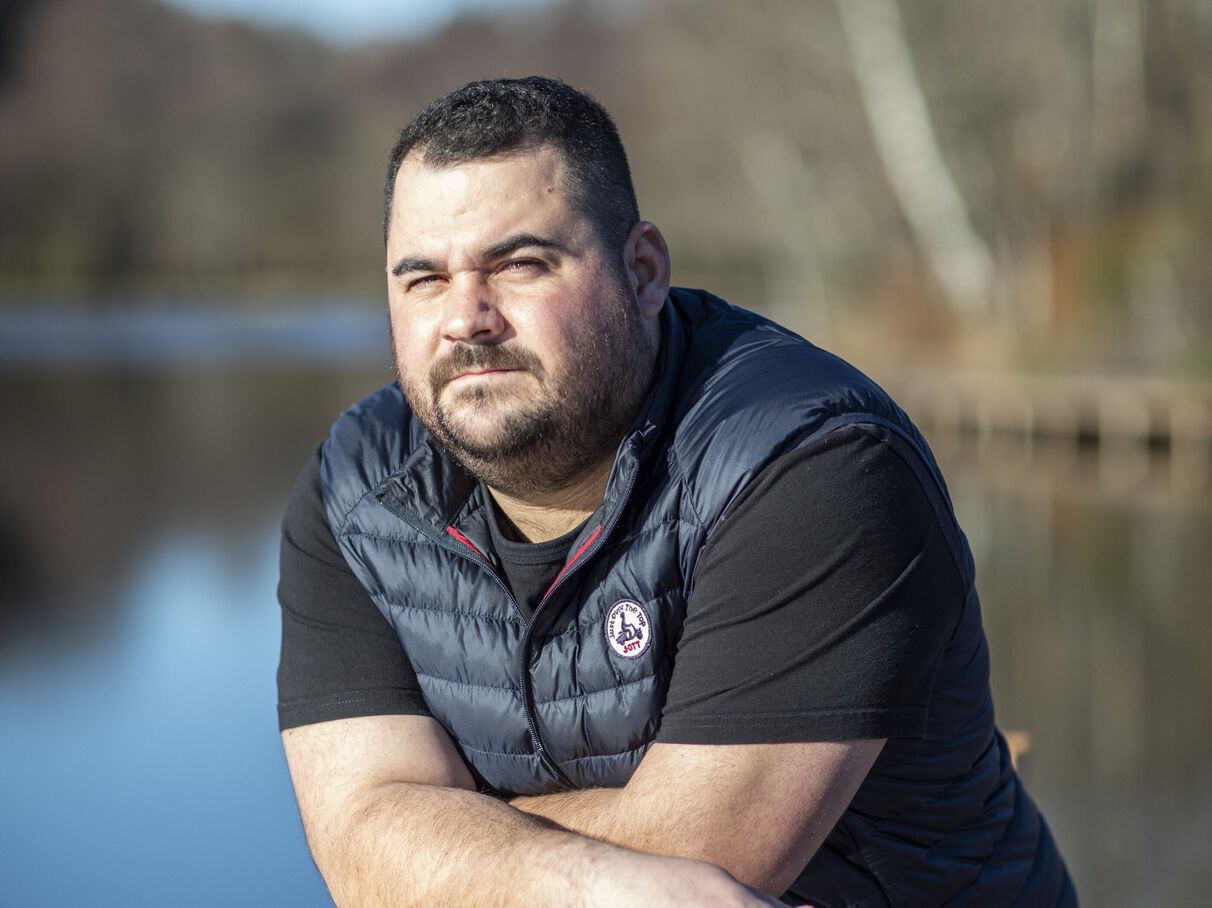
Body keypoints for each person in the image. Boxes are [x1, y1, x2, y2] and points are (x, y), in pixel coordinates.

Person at [277, 76, 1075, 906]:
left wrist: (429, 835)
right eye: (424, 280)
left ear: (645, 271)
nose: (467, 318)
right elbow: (355, 856)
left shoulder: (816, 467)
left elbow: (699, 874)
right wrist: (427, 847)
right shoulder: (358, 493)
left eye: (519, 265)